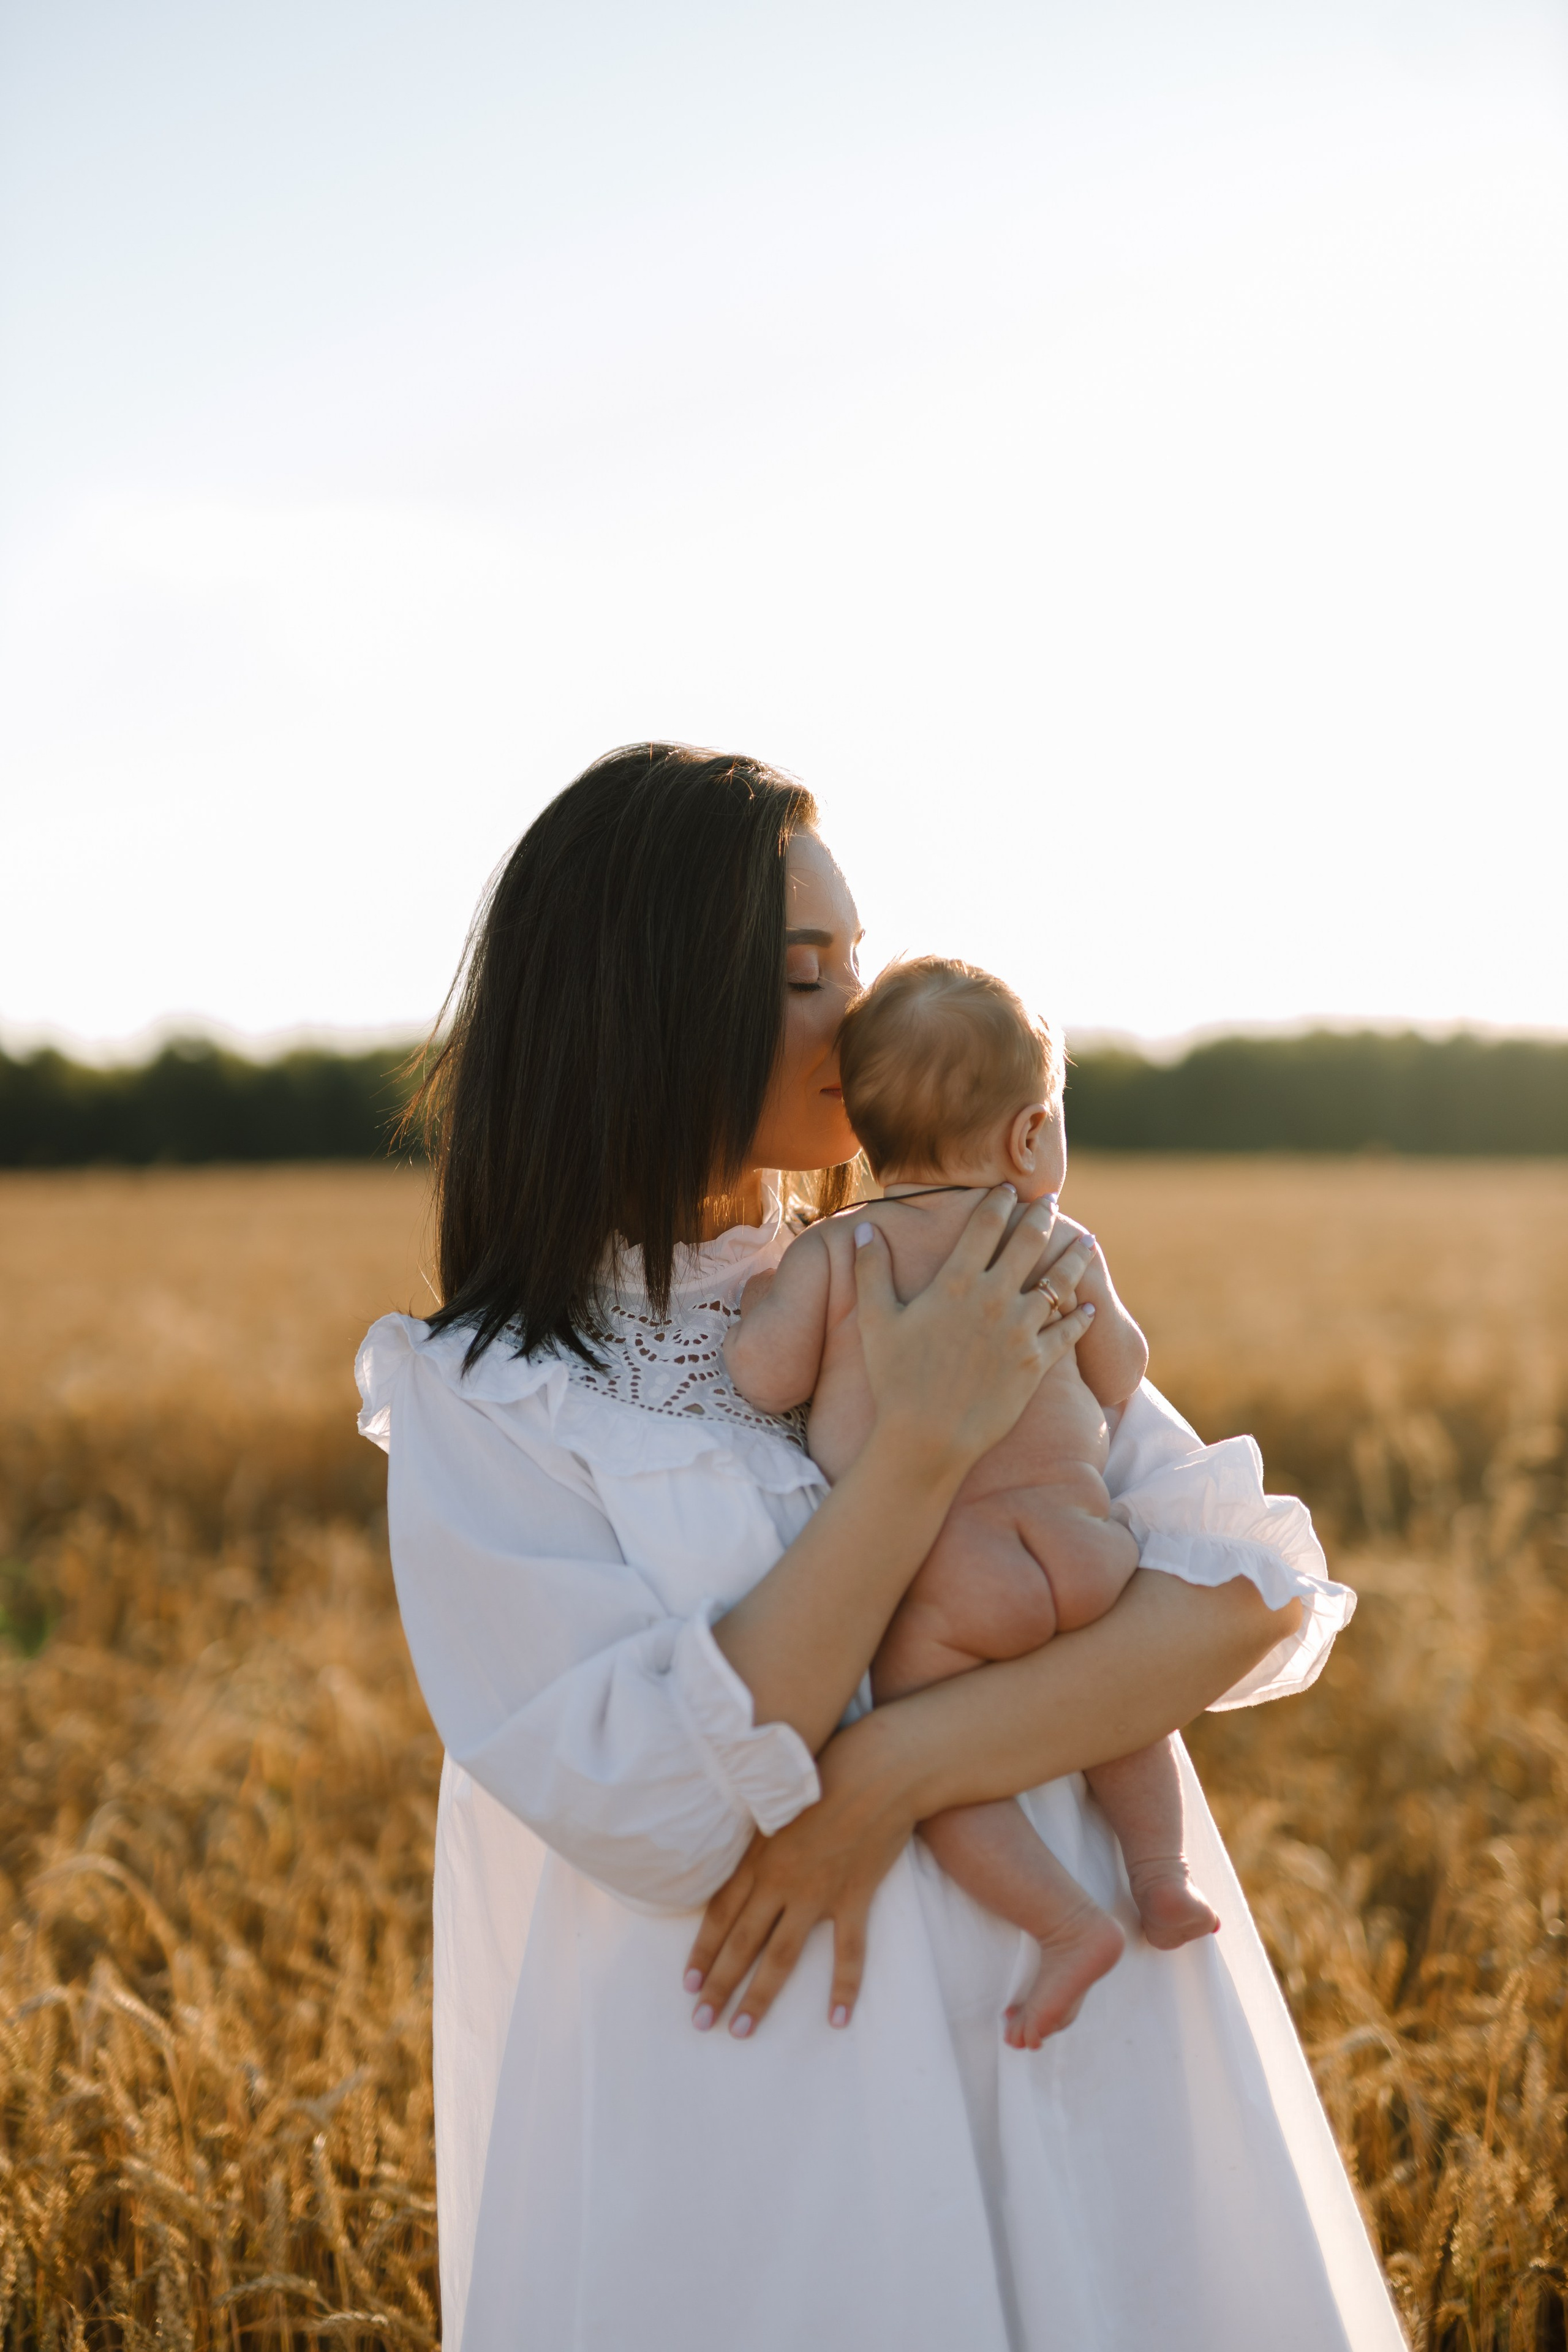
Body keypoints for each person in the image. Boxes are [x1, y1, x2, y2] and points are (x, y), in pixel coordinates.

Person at [356, 742, 1408, 2351]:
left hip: (1081, 2054)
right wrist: (915, 1452)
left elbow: (1242, 1591)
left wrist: (883, 1777)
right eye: (802, 972)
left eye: (856, 958)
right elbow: (655, 1809)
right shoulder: (491, 1397)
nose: (854, 1010)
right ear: (648, 1001)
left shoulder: (953, 1260)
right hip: (768, 2127)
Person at [724, 955, 1219, 2055]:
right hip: (1085, 1547)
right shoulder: (1055, 1239)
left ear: (858, 1128)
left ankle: (1064, 1925)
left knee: (926, 1757)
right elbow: (1122, 1368)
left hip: (960, 1579)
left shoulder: (842, 1248)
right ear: (1030, 1136)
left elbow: (763, 1378)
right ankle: (1161, 1872)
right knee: (1121, 1714)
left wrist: (766, 1303)